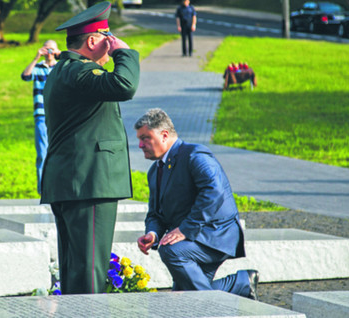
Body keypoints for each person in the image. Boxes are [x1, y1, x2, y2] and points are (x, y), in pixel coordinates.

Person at [41, 1, 139, 294]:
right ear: (94, 40)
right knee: (89, 270)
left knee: (76, 269)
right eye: (107, 37)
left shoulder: (64, 71)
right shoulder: (80, 72)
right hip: (88, 182)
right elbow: (125, 85)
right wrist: (124, 52)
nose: (111, 44)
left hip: (74, 181)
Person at [135, 108, 259, 299]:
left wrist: (185, 229)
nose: (140, 145)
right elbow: (155, 213)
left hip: (215, 234)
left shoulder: (194, 154)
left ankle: (235, 287)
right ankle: (241, 284)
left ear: (164, 135)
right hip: (193, 239)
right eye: (139, 139)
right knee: (182, 299)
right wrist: (153, 234)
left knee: (170, 251)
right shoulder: (154, 171)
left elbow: (214, 191)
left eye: (145, 138)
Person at [21, 40, 60, 194]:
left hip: (59, 116)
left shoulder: (61, 68)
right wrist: (37, 57)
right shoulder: (38, 68)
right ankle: (43, 190)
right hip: (42, 116)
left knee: (59, 151)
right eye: (46, 49)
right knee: (42, 153)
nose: (49, 52)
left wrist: (59, 57)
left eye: (52, 49)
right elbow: (25, 76)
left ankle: (58, 188)